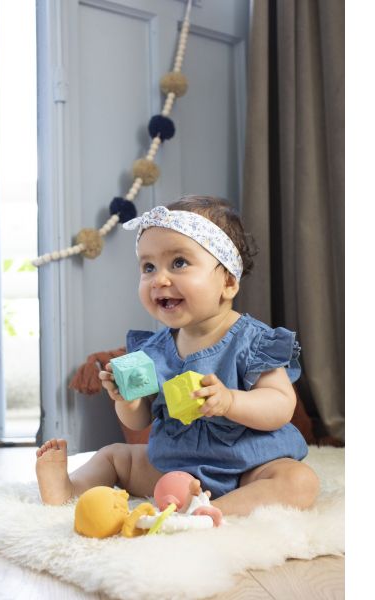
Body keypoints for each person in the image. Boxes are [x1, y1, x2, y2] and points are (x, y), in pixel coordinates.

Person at [35, 195, 319, 516]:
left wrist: (229, 402)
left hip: (247, 466)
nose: (159, 279)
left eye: (179, 263)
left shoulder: (254, 341)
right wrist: (127, 400)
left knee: (299, 481)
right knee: (113, 456)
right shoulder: (152, 349)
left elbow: (280, 405)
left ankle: (213, 511)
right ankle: (67, 488)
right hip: (173, 466)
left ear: (228, 282)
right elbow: (140, 420)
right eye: (148, 267)